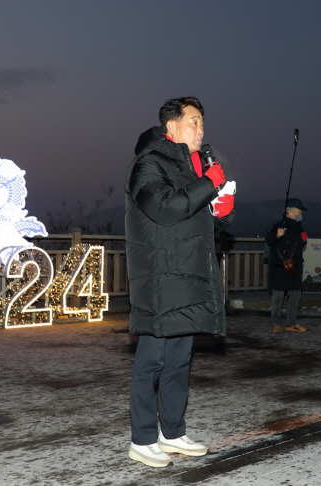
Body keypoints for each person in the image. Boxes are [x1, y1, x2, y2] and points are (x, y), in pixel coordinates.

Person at [125, 97, 234, 468]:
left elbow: (193, 221)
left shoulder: (191, 167)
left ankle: (172, 432)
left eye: (202, 123)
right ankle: (141, 439)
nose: (200, 130)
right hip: (160, 278)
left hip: (186, 277)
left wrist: (220, 213)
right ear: (170, 127)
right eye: (193, 122)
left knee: (178, 362)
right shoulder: (148, 163)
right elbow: (165, 209)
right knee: (152, 361)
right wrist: (208, 183)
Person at [265, 198, 308, 333]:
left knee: (295, 295)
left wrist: (304, 241)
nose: (300, 214)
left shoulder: (299, 228)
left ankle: (291, 323)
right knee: (277, 297)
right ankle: (276, 324)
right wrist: (277, 235)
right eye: (299, 211)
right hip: (279, 267)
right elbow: (269, 240)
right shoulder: (278, 225)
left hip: (293, 267)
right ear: (289, 212)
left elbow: (299, 246)